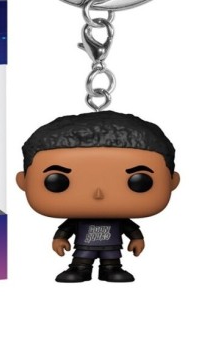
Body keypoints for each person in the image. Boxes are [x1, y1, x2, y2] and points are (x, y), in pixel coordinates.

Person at [16, 111, 180, 282]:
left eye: (139, 181)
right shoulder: (77, 220)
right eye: (57, 181)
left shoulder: (119, 220)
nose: (98, 194)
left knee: (111, 261)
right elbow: (67, 228)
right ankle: (80, 270)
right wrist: (59, 238)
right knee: (82, 259)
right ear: (23, 181)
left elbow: (131, 229)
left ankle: (111, 270)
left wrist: (137, 239)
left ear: (172, 181)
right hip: (84, 247)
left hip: (112, 248)